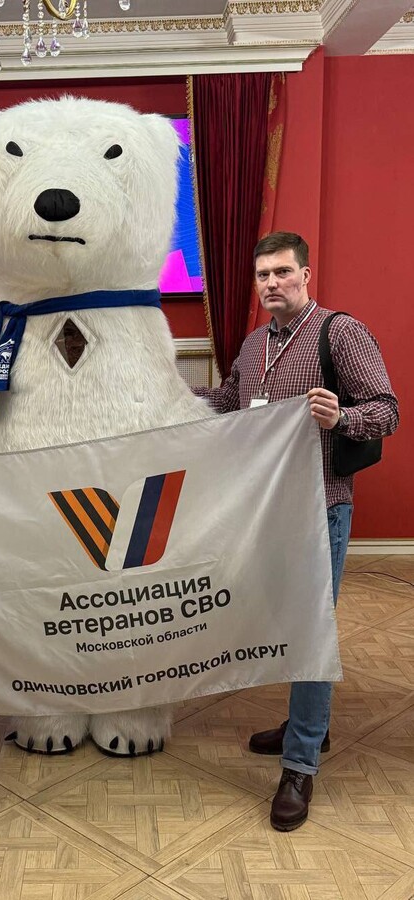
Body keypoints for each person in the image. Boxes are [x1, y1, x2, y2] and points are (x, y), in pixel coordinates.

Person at [192, 232, 398, 832]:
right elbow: (229, 401)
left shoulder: (340, 333)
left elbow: (387, 410)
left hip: (319, 508)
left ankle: (300, 763)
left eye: (282, 272)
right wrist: (168, 398)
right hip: (264, 510)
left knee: (310, 632)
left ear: (306, 275)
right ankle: (309, 723)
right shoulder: (254, 344)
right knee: (285, 624)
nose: (272, 283)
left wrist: (342, 415)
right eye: (263, 275)